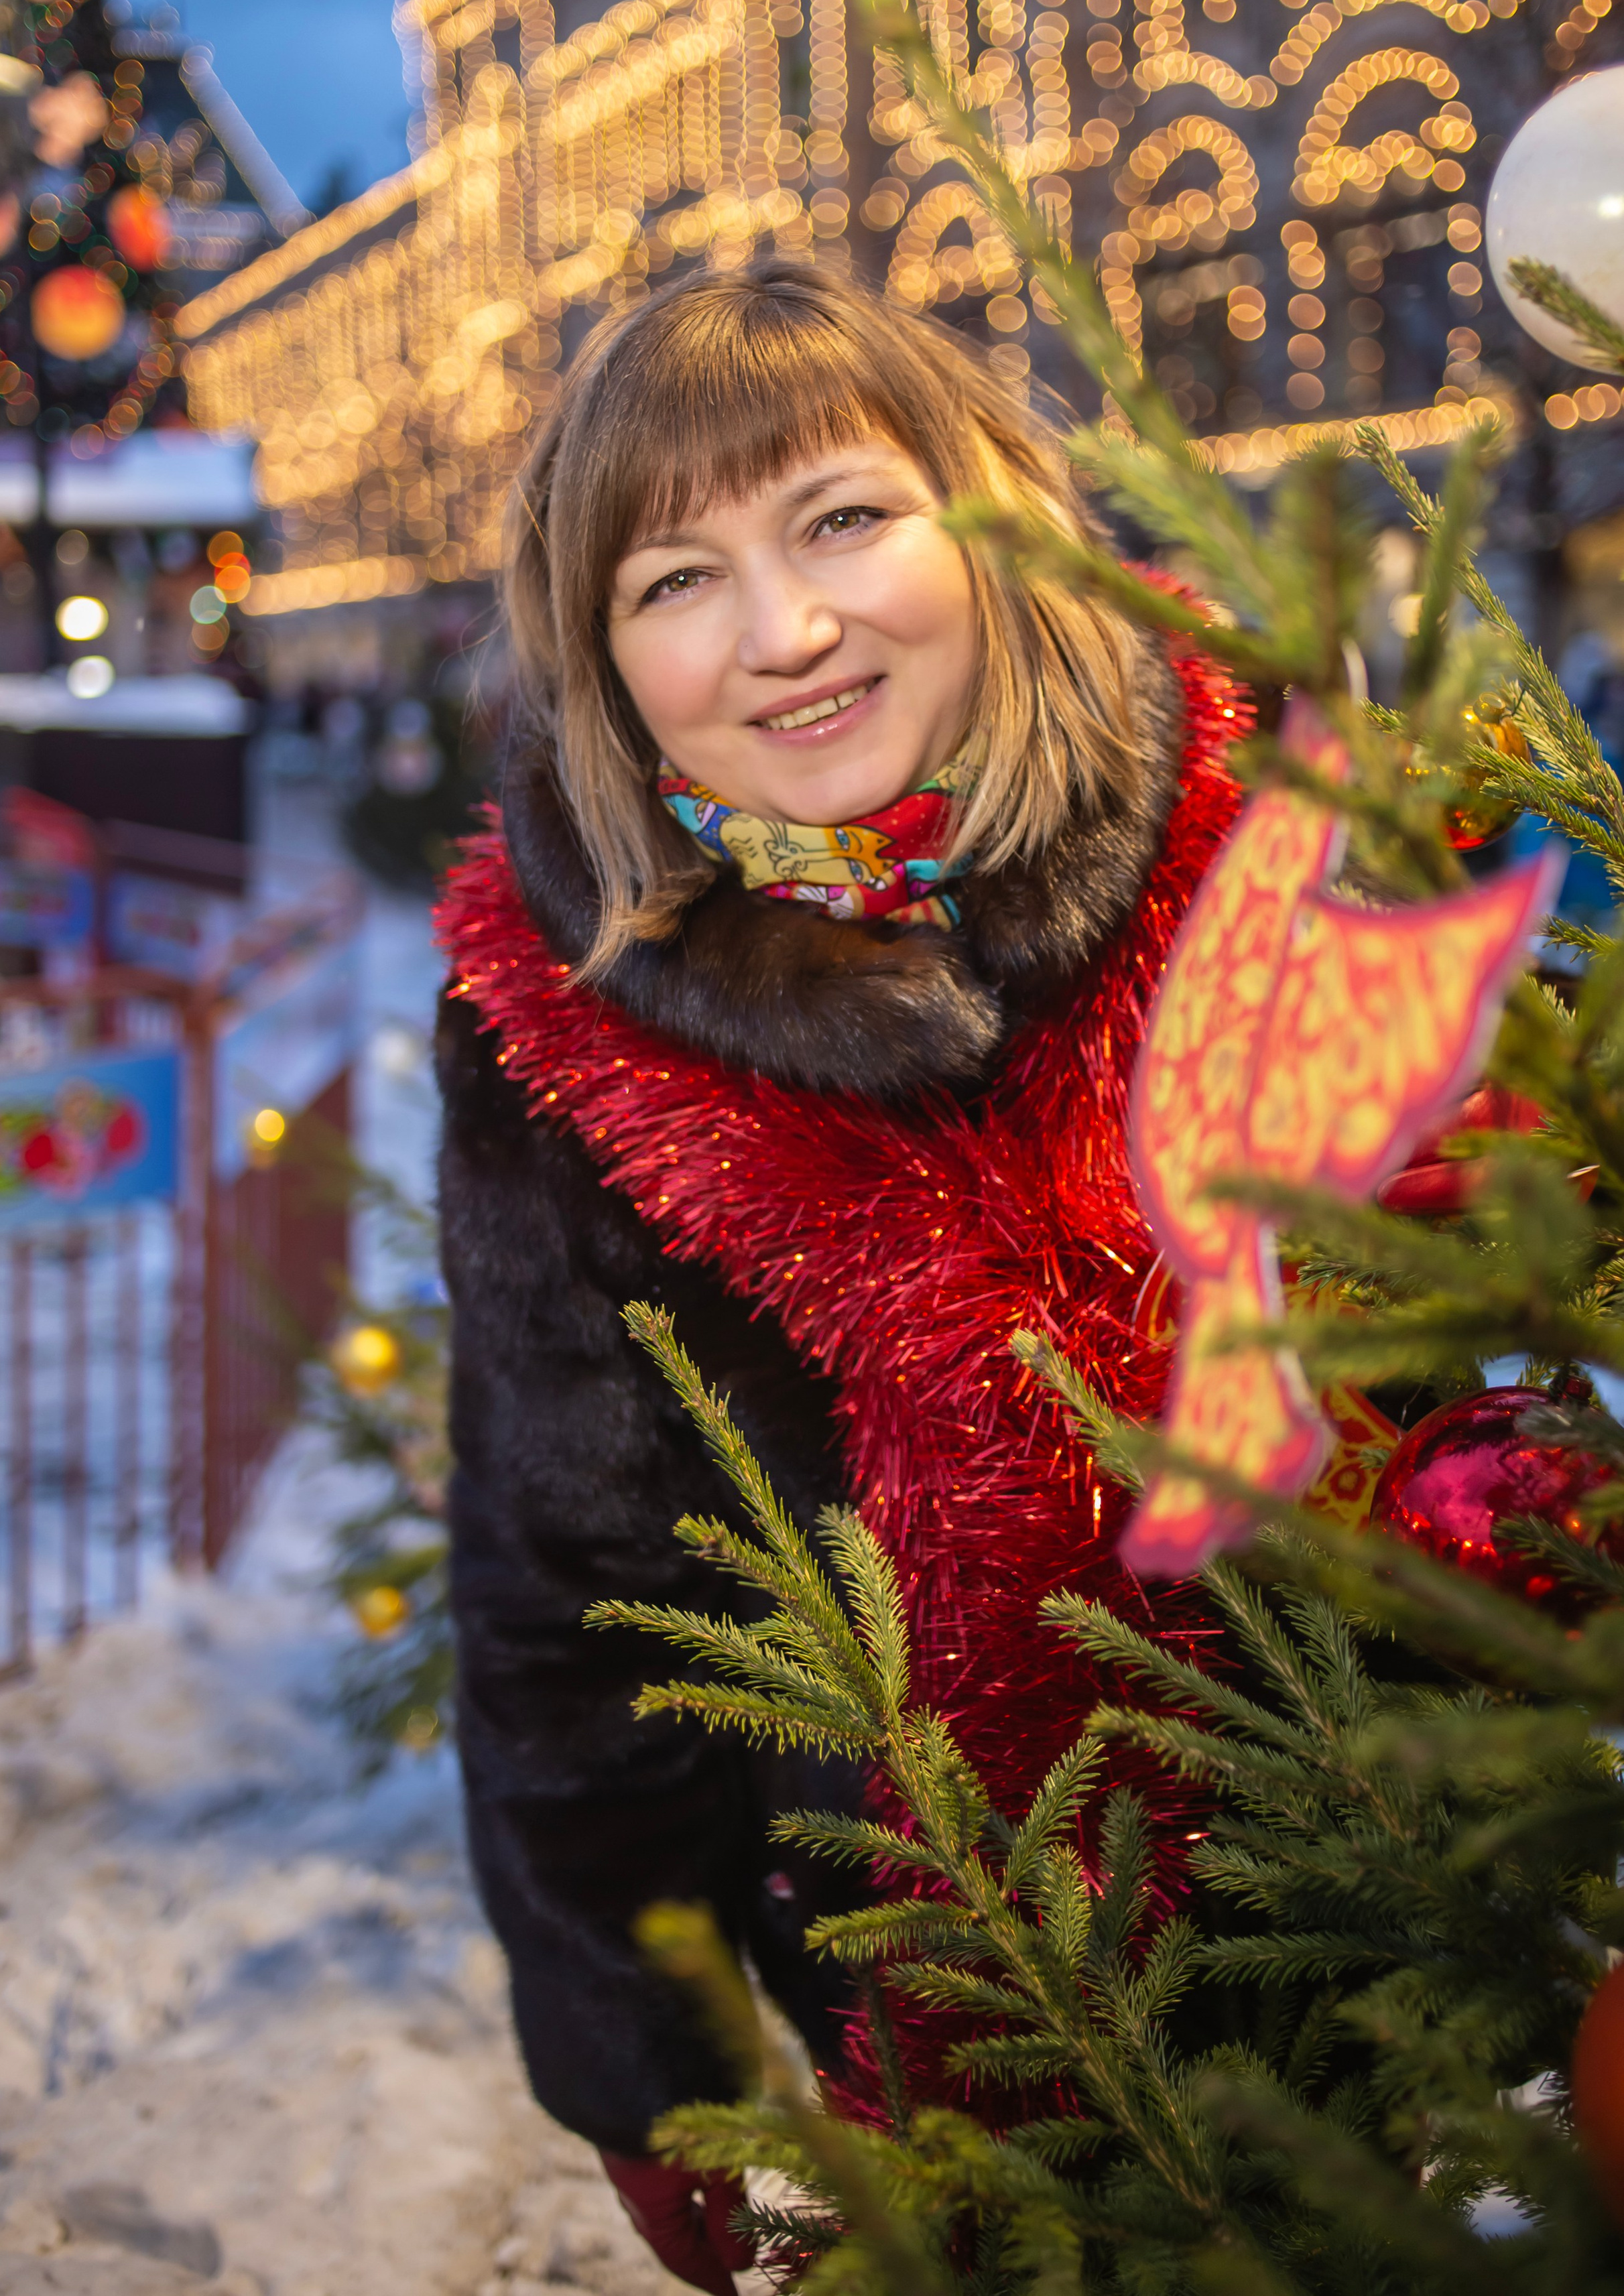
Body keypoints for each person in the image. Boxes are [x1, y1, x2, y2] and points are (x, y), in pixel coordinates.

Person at [435, 257, 1244, 2292]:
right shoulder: (571, 1032)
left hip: (1411, 1926)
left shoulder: (1252, 836)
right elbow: (576, 1603)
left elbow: (1469, 1353)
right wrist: (656, 2064)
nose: (784, 635)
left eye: (841, 521)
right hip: (921, 2021)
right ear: (606, 663)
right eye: (675, 579)